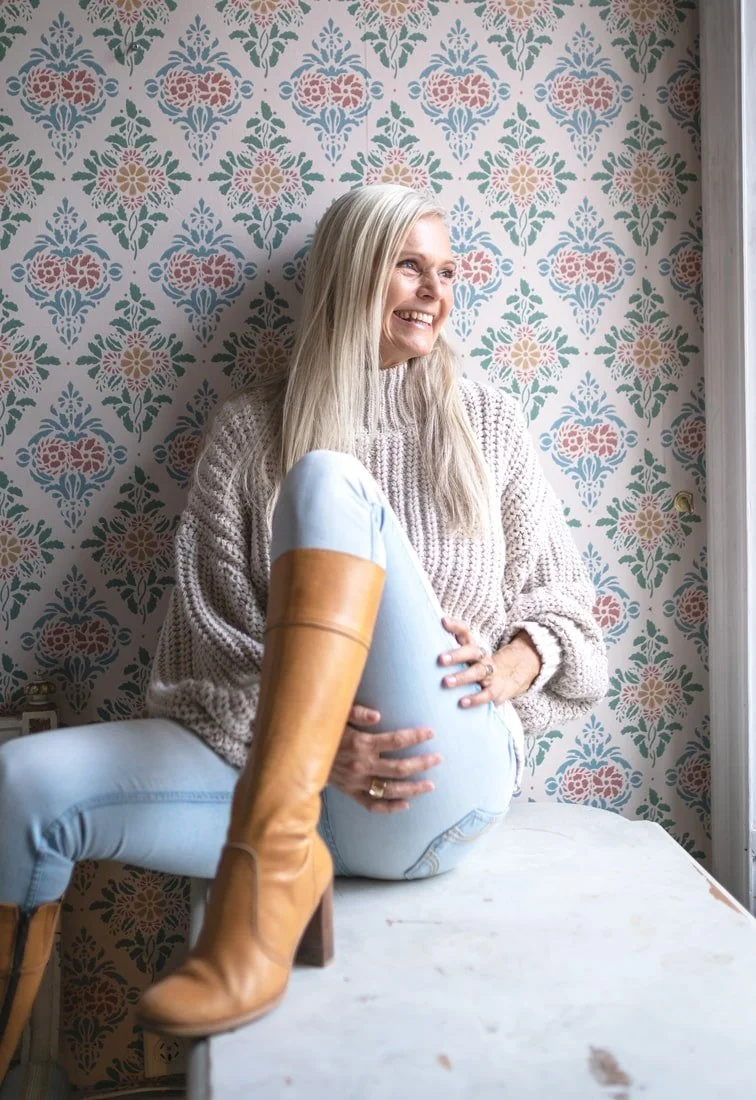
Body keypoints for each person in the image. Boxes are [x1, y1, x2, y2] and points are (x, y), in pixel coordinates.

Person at [0, 185, 608, 1061]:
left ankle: (271, 871)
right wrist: (319, 752)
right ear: (351, 272)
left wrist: (509, 667)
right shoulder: (249, 433)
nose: (434, 292)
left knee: (325, 479)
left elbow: (572, 620)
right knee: (22, 783)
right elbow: (207, 652)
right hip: (292, 783)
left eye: (447, 272)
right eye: (408, 265)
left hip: (426, 775)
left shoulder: (487, 423)